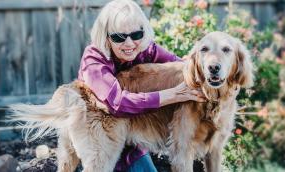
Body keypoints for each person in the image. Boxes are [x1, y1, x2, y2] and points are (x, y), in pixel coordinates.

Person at [77, 0, 206, 171]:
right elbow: (117, 103)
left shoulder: (146, 49)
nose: (129, 43)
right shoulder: (93, 62)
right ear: (106, 37)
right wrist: (171, 95)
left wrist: (212, 76)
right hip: (98, 133)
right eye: (119, 37)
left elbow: (179, 66)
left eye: (136, 34)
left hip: (133, 137)